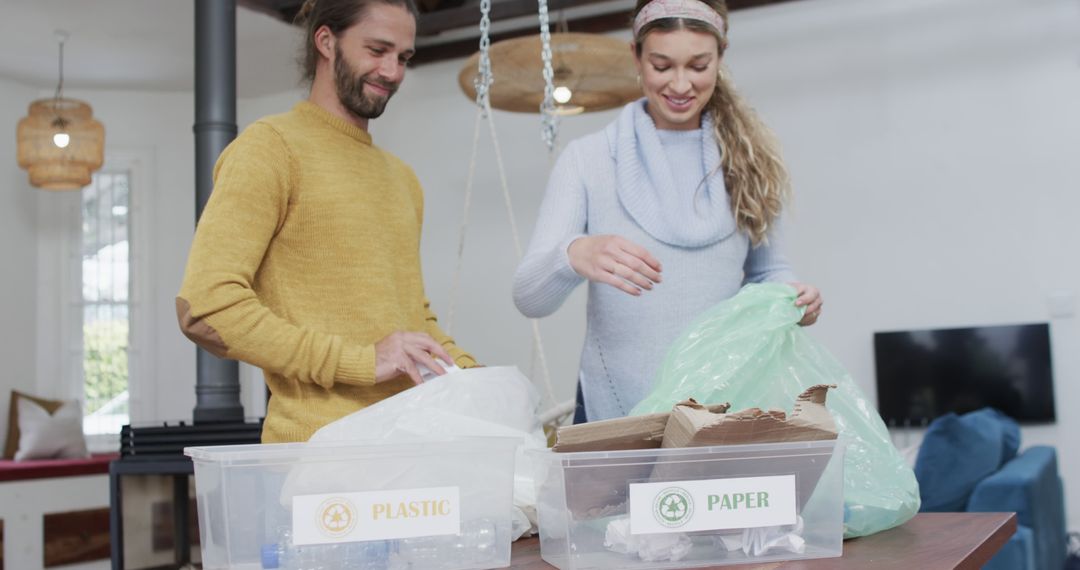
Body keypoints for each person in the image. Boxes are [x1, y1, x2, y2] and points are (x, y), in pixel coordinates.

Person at [176, 0, 476, 443]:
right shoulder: (270, 149)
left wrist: (476, 378)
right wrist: (359, 361)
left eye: (404, 58)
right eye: (377, 50)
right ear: (326, 41)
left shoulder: (402, 179)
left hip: (412, 445)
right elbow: (205, 308)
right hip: (318, 457)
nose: (392, 72)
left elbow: (413, 316)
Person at [513, 0, 822, 423]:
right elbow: (529, 298)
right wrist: (573, 254)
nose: (680, 85)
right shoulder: (587, 160)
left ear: (721, 56)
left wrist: (796, 297)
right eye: (662, 65)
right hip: (615, 407)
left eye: (698, 66)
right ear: (636, 57)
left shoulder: (751, 160)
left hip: (725, 402)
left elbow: (769, 271)